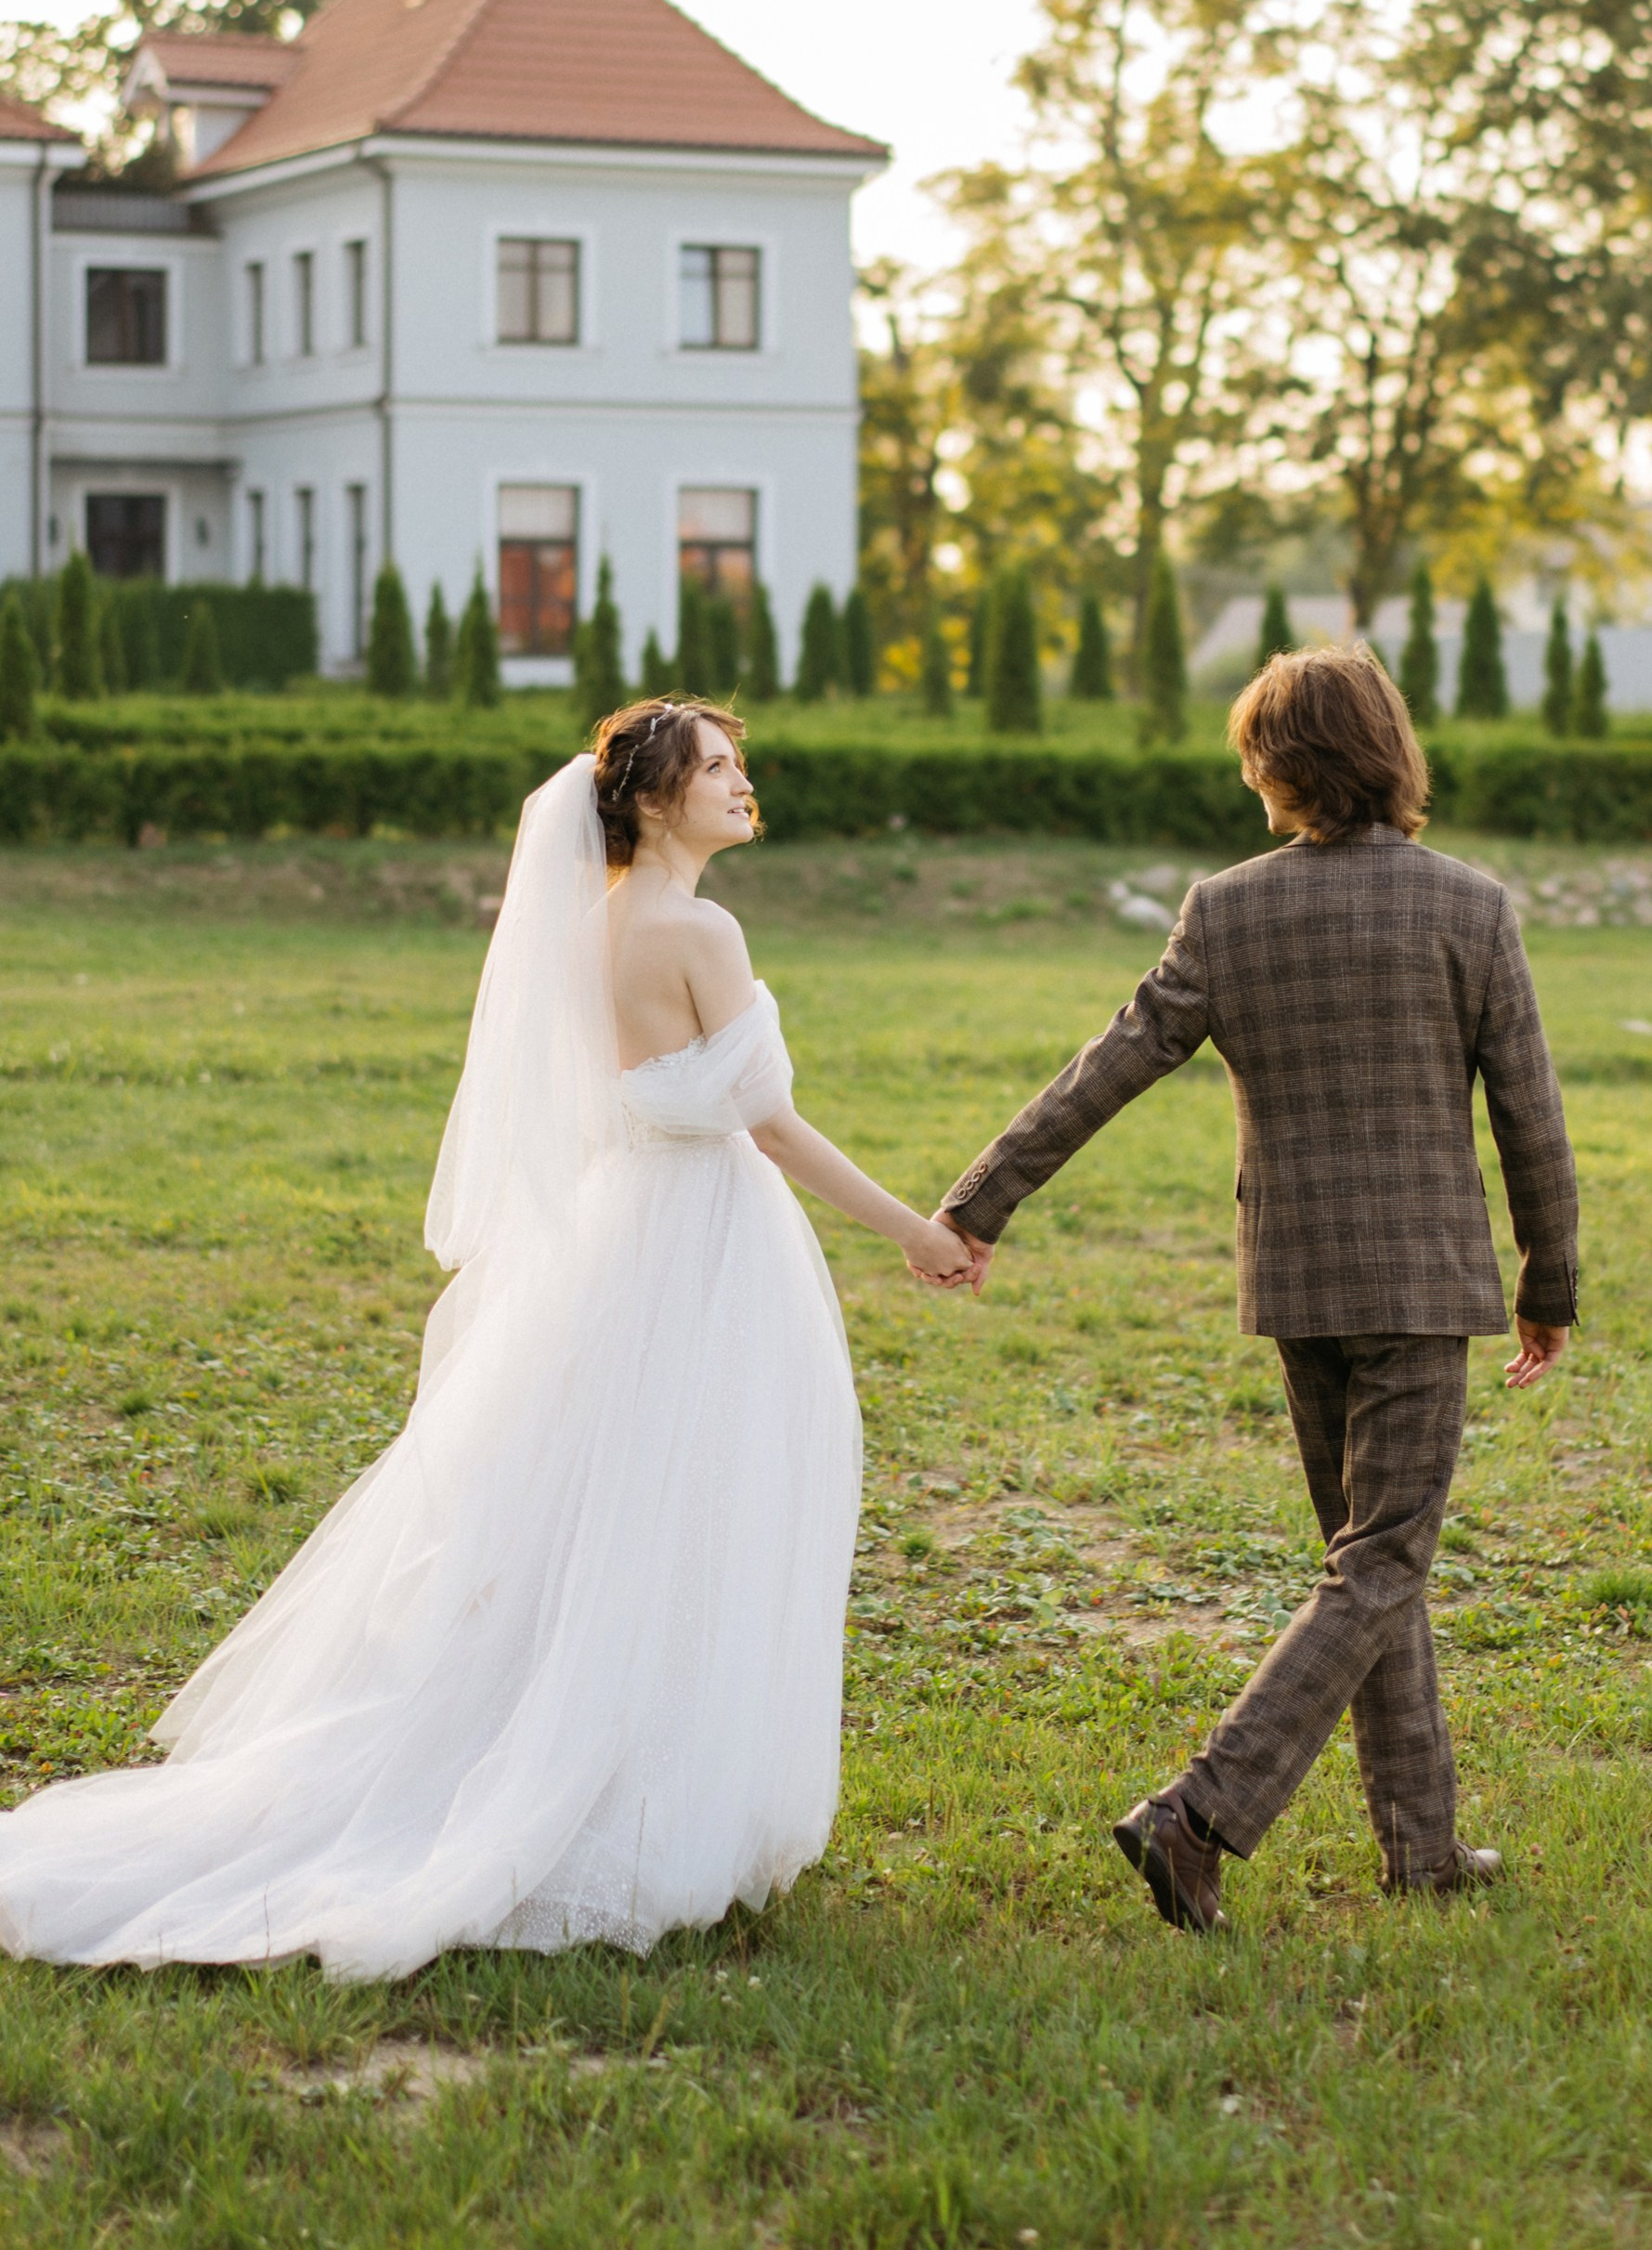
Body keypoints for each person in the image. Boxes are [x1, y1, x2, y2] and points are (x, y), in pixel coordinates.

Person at [0, 698, 971, 1979]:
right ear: (651, 797)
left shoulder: (585, 925)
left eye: (741, 764)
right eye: (717, 768)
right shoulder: (699, 929)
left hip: (621, 1237)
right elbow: (772, 1124)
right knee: (691, 1515)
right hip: (703, 1245)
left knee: (594, 1520)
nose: (744, 783)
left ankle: (593, 1757)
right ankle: (638, 1802)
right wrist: (920, 1229)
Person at [942, 642, 1578, 1930]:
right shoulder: (1469, 905)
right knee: (1381, 1561)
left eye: (1255, 760)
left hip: (1296, 1280)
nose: (1249, 782)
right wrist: (1547, 1275)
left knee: (1368, 1565)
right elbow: (1532, 1115)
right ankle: (1198, 1814)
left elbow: (1106, 1067)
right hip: (1421, 1283)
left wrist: (981, 1197)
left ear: (1290, 770)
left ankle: (1423, 1847)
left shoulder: (1226, 911)